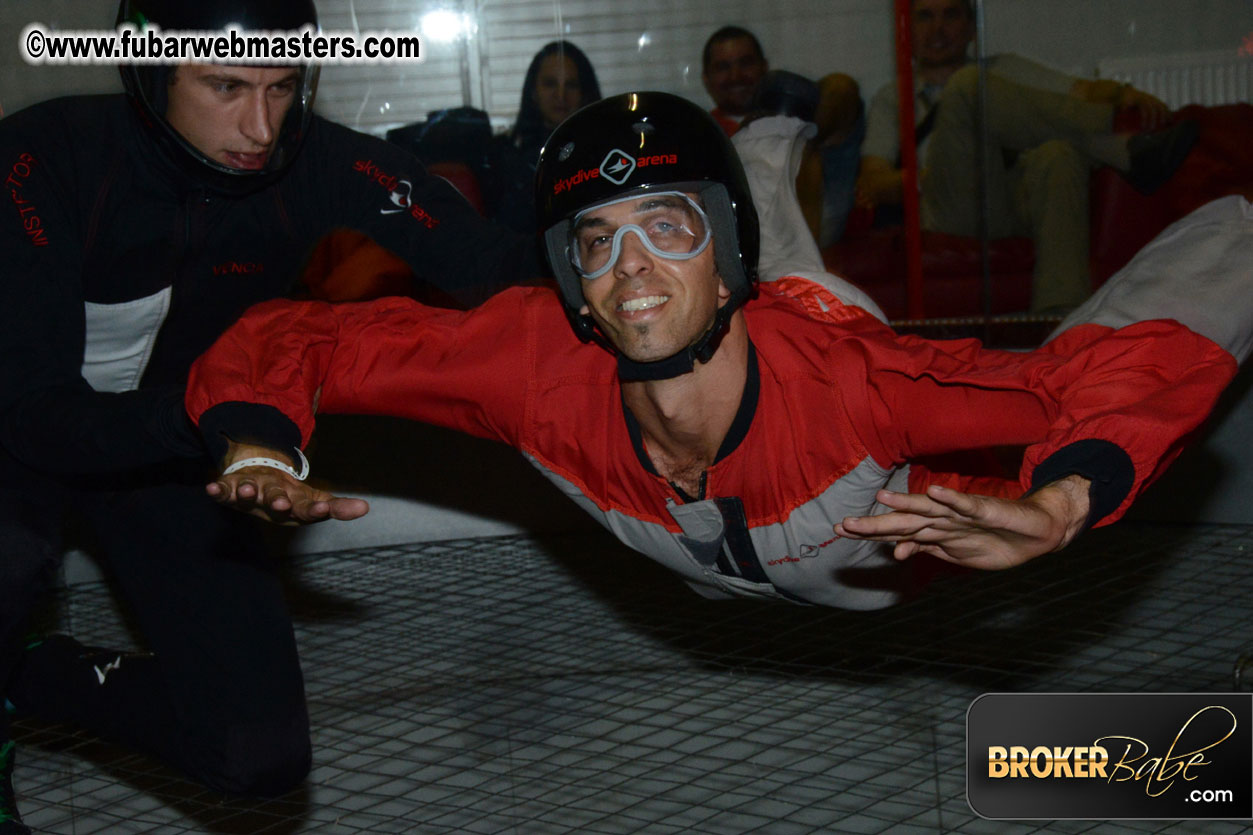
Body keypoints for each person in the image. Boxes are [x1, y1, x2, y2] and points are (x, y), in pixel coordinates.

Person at [185, 91, 1249, 615]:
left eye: (671, 227)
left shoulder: (861, 393)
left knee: (1221, 257)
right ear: (571, 284)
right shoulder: (530, 365)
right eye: (596, 241)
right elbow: (301, 336)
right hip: (755, 321)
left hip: (813, 352)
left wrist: (1064, 502)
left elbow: (1094, 377)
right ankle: (753, 158)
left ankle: (761, 155)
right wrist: (255, 441)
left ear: (715, 250)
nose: (630, 267)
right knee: (766, 271)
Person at [0, 0, 535, 830]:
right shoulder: (43, 157)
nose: (259, 125)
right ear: (150, 69)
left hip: (175, 443)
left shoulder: (312, 160)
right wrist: (228, 419)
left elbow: (495, 264)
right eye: (226, 87)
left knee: (256, 754)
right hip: (26, 431)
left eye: (283, 88)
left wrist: (645, 254)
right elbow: (32, 412)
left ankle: (27, 677)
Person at [856, 0, 1199, 314]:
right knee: (966, 86)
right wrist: (930, 176)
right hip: (949, 207)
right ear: (908, 31)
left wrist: (1126, 93)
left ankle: (1060, 318)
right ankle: (1118, 149)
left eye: (951, 15)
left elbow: (1084, 91)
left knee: (1058, 153)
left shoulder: (1005, 70)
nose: (938, 28)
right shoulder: (893, 99)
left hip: (1013, 201)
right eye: (926, 17)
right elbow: (873, 183)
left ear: (972, 29)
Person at [488, 41, 602, 235]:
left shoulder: (602, 150)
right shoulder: (505, 155)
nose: (561, 95)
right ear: (533, 92)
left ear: (584, 92)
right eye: (550, 84)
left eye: (571, 85)